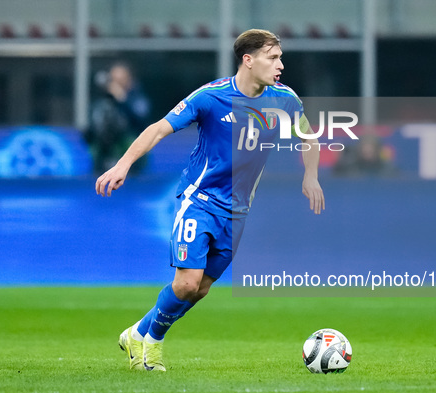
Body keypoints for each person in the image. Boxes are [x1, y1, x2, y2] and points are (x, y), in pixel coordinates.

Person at [95, 29, 325, 372]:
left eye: (280, 57)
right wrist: (123, 164)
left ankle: (137, 332)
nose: (281, 65)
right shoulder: (211, 97)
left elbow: (309, 135)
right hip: (200, 200)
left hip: (238, 210)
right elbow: (159, 128)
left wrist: (310, 175)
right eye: (273, 57)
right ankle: (151, 347)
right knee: (186, 282)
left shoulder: (284, 99)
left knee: (199, 289)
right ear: (248, 60)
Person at [87, 62, 151, 174]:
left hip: (132, 161)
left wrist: (122, 99)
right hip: (104, 158)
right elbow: (91, 131)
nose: (115, 84)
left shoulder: (136, 99)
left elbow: (141, 122)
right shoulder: (101, 103)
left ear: (129, 80)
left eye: (120, 80)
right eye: (113, 80)